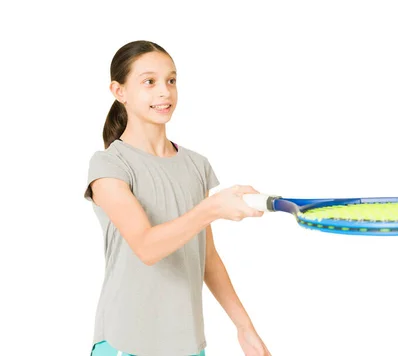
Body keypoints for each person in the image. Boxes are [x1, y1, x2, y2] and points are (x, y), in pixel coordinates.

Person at [84, 40, 272, 356]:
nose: (165, 92)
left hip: (186, 343)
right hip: (125, 340)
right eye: (150, 82)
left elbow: (207, 258)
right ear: (119, 91)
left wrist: (244, 327)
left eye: (171, 80)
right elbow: (146, 247)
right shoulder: (109, 164)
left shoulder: (196, 165)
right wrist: (212, 207)